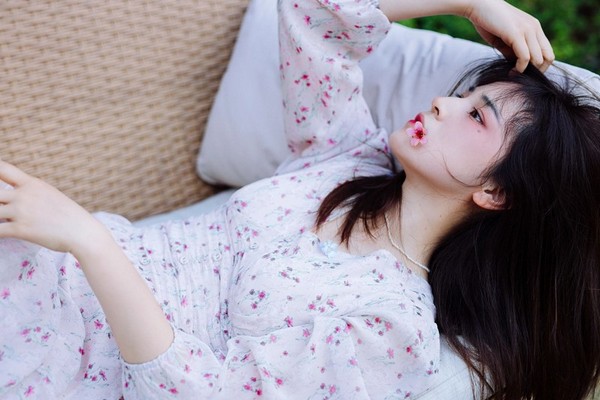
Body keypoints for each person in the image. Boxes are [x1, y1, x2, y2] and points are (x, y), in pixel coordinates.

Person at [0, 0, 598, 399]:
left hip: (71, 366)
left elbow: (204, 394)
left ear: (496, 191)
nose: (442, 104)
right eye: (461, 96)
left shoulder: (391, 330)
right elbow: (314, 14)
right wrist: (469, 2)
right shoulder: (349, 158)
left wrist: (90, 242)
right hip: (46, 266)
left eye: (477, 116)